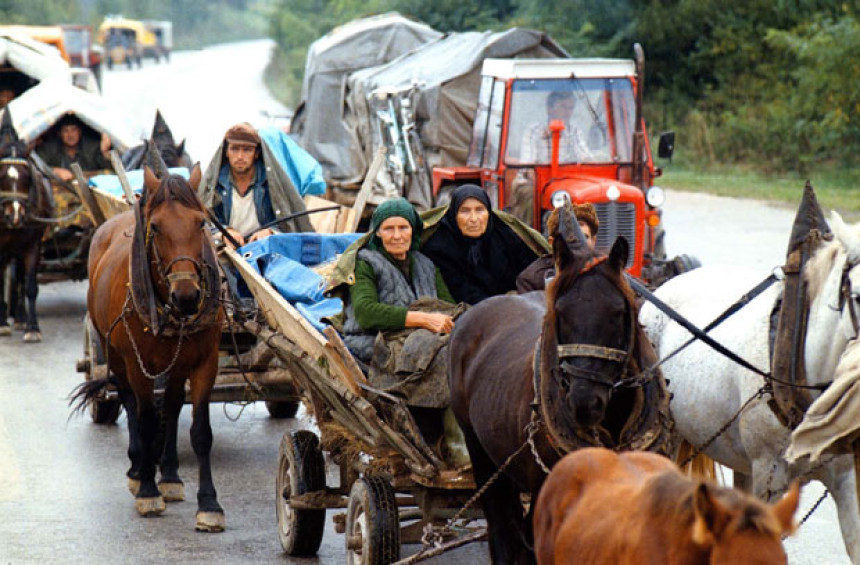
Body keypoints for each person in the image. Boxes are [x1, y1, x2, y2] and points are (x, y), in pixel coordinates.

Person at [341, 198, 462, 447]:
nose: (397, 235)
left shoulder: (426, 265)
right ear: (377, 233)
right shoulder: (365, 263)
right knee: (443, 361)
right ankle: (450, 445)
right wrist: (422, 319)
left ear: (414, 230)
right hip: (374, 340)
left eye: (403, 227)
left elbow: (447, 305)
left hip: (422, 338)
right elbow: (365, 313)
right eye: (388, 229)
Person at [422, 184, 540, 305]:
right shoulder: (439, 247)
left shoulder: (504, 234)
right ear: (454, 215)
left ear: (488, 212)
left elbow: (531, 268)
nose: (473, 219)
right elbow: (462, 291)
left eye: (480, 210)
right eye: (465, 211)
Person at [204, 122, 294, 248]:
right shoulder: (215, 184)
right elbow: (203, 221)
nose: (240, 156)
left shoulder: (270, 183)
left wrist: (269, 232)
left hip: (264, 249)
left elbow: (287, 222)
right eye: (234, 149)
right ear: (226, 152)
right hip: (225, 250)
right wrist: (224, 233)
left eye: (247, 150)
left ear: (256, 153)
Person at [516, 202, 599, 293]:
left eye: (585, 237)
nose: (578, 244)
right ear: (552, 243)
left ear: (593, 241)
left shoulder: (603, 275)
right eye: (570, 238)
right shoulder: (532, 279)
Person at [520, 90, 592, 164]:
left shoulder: (574, 130)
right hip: (539, 174)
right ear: (549, 109)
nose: (568, 113)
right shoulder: (533, 131)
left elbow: (585, 156)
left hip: (566, 175)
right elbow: (528, 163)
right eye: (563, 107)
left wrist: (589, 162)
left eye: (570, 108)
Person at [37, 114, 112, 182]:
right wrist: (54, 171)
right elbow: (36, 165)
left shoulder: (92, 147)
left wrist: (104, 151)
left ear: (80, 132)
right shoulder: (50, 148)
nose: (70, 135)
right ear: (59, 134)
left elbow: (110, 171)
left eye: (74, 130)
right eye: (65, 131)